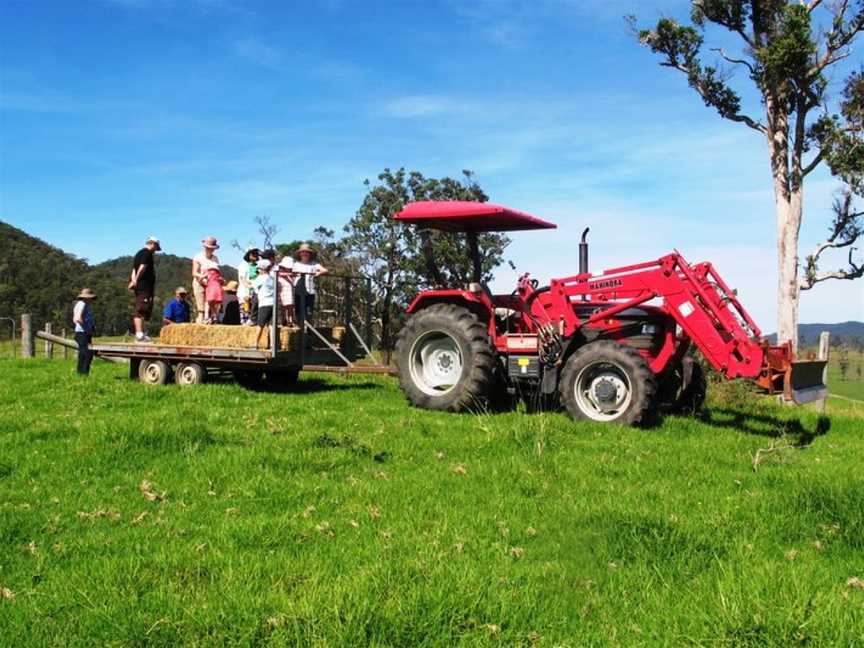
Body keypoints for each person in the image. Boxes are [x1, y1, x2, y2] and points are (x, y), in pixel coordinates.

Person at [129, 236, 160, 342]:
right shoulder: (147, 253)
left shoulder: (138, 253)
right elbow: (142, 267)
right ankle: (139, 334)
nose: (156, 250)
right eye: (156, 247)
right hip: (144, 286)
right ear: (152, 244)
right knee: (141, 309)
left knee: (144, 309)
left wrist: (133, 281)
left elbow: (134, 269)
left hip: (141, 285)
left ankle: (141, 333)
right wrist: (136, 280)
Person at [292, 243, 328, 320]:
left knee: (309, 311)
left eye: (307, 252)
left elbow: (325, 270)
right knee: (299, 311)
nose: (305, 254)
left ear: (309, 254)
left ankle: (308, 329)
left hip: (310, 290)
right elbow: (292, 275)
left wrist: (319, 273)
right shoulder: (296, 264)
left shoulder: (313, 264)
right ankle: (300, 328)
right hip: (298, 291)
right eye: (303, 252)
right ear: (300, 253)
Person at [192, 236, 220, 324]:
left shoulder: (215, 258)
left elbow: (217, 272)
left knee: (211, 303)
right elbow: (194, 273)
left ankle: (211, 319)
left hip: (211, 284)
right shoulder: (198, 257)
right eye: (209, 248)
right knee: (201, 309)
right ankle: (201, 320)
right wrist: (202, 276)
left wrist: (219, 279)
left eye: (212, 248)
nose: (211, 250)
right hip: (199, 282)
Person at [72, 288, 96, 375]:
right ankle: (83, 373)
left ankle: (82, 372)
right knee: (85, 354)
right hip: (83, 332)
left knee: (85, 353)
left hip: (82, 332)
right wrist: (87, 328)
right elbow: (78, 318)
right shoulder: (82, 304)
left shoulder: (81, 304)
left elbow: (74, 319)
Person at [253, 259, 275, 349]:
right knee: (271, 325)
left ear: (262, 268)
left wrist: (245, 282)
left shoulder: (260, 278)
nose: (258, 270)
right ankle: (272, 344)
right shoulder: (272, 278)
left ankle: (255, 344)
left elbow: (253, 287)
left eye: (258, 268)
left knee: (260, 324)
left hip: (264, 303)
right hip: (272, 303)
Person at [237, 247, 259, 325]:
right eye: (253, 253)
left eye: (256, 253)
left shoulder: (258, 266)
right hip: (246, 290)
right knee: (245, 310)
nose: (256, 255)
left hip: (256, 291)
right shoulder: (243, 265)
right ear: (248, 255)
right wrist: (249, 286)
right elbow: (242, 279)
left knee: (254, 310)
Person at [276, 256, 295, 326]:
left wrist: (290, 275)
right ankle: (284, 320)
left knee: (290, 307)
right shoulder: (279, 272)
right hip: (282, 292)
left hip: (290, 292)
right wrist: (288, 274)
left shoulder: (292, 274)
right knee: (283, 307)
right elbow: (278, 274)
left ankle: (290, 320)